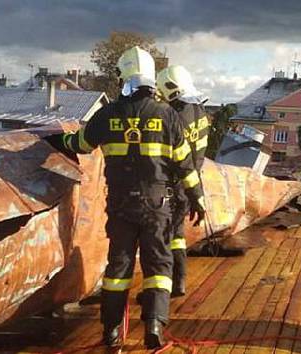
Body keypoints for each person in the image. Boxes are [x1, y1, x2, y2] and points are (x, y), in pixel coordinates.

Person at [47, 46, 205, 349]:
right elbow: (185, 164)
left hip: (121, 207)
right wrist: (197, 198)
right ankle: (154, 326)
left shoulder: (107, 115)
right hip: (157, 205)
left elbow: (80, 144)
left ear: (124, 78)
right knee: (158, 266)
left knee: (117, 269)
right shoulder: (167, 115)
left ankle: (111, 332)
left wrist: (55, 140)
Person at [155, 65, 209, 296]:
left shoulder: (172, 116)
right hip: (194, 181)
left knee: (166, 236)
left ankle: (166, 287)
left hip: (174, 182)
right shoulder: (200, 111)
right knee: (178, 235)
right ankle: (180, 281)